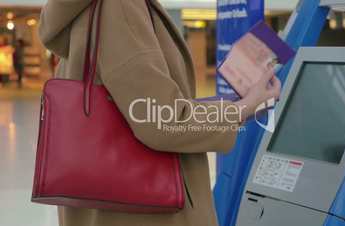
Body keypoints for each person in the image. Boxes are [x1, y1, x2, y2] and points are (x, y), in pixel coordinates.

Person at [38, 0, 281, 226]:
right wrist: (243, 108)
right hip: (148, 211)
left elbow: (140, 103)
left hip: (107, 206)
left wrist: (228, 105)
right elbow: (161, 121)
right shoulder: (120, 6)